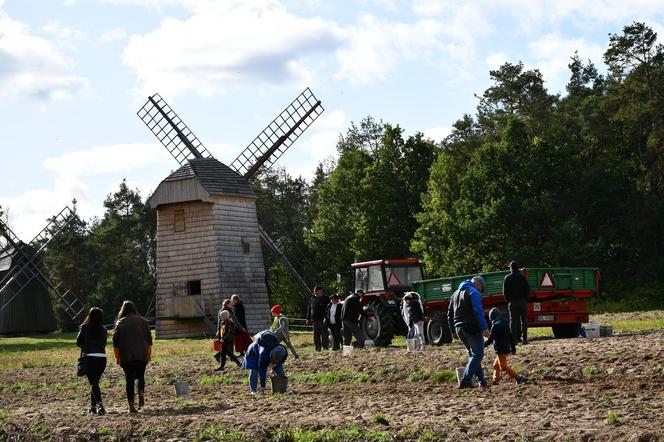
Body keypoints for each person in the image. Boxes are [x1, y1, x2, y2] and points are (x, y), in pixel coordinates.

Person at [447, 275, 490, 388]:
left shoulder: (455, 293)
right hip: (471, 327)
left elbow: (450, 313)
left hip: (459, 328)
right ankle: (466, 380)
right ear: (479, 285)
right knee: (478, 354)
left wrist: (453, 330)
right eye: (481, 289)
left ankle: (482, 381)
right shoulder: (473, 292)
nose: (480, 291)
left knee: (473, 355)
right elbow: (477, 311)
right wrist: (484, 328)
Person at [113, 300, 153, 413]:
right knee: (141, 376)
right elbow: (149, 340)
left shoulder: (120, 323)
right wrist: (149, 355)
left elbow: (116, 343)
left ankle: (131, 405)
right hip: (142, 353)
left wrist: (117, 357)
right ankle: (141, 391)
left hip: (126, 355)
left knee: (129, 379)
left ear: (123, 310)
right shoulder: (143, 321)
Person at [76, 307, 108, 415]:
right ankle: (93, 407)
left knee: (93, 383)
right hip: (102, 357)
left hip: (90, 357)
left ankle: (100, 405)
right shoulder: (104, 329)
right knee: (95, 383)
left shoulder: (85, 327)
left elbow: (78, 342)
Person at [484, 308, 526, 385]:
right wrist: (513, 347)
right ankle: (495, 380)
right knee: (496, 365)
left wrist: (483, 345)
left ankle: (517, 377)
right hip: (506, 347)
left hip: (500, 349)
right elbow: (511, 336)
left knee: (503, 366)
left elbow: (490, 339)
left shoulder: (495, 326)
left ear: (492, 318)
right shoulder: (505, 323)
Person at [503, 261, 531, 345]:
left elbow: (505, 292)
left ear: (511, 268)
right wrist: (526, 300)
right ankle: (525, 339)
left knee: (513, 321)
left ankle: (514, 340)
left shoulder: (507, 278)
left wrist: (508, 301)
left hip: (512, 302)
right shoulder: (522, 277)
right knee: (524, 321)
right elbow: (527, 290)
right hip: (522, 301)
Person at [305, 285, 330, 351]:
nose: (315, 292)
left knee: (324, 334)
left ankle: (325, 347)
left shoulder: (326, 299)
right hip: (314, 320)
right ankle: (317, 348)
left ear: (321, 291)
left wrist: (327, 318)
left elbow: (329, 309)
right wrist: (308, 318)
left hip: (323, 319)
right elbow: (309, 309)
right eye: (314, 291)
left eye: (316, 291)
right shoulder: (312, 299)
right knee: (316, 335)